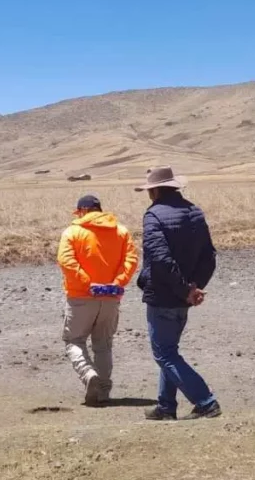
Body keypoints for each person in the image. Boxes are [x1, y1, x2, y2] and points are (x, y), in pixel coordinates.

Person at [135, 166, 221, 420]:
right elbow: (209, 256)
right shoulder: (194, 211)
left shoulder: (153, 216)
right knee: (169, 350)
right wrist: (194, 287)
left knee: (164, 353)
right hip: (184, 294)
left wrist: (185, 290)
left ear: (156, 190)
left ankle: (205, 401)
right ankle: (166, 406)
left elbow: (160, 260)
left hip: (163, 294)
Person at [56, 194, 139, 406]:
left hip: (81, 297)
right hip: (111, 298)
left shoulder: (72, 232)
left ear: (82, 211)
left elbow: (66, 261)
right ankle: (103, 391)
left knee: (74, 340)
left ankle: (88, 374)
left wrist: (87, 283)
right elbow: (131, 260)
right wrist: (116, 282)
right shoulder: (121, 232)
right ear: (100, 210)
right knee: (103, 344)